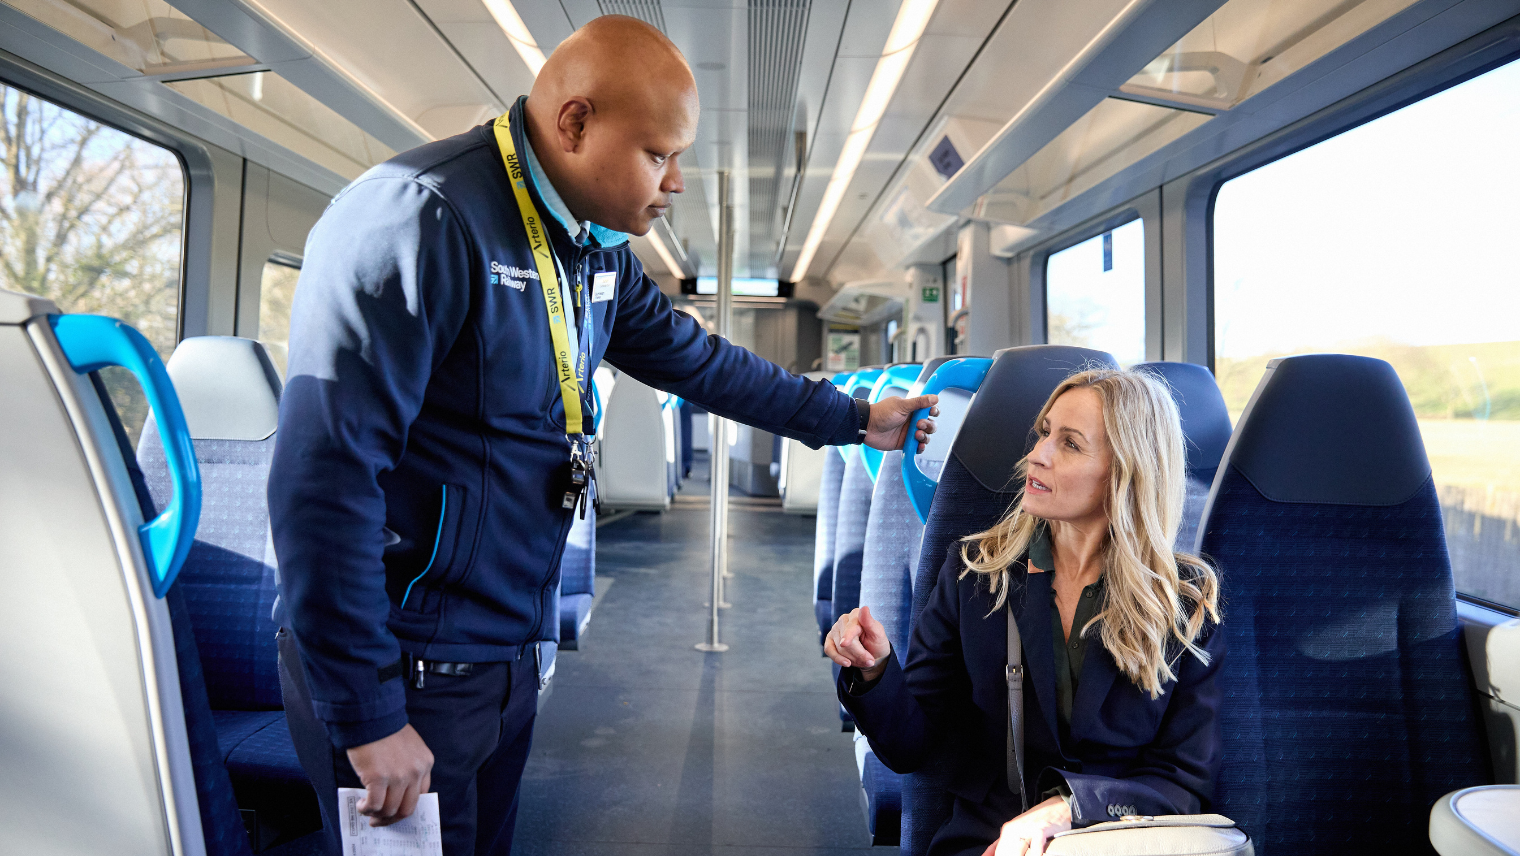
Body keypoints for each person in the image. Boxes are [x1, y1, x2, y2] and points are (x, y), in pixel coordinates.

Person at [268, 15, 937, 856]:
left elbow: (701, 364)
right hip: (405, 663)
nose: (677, 183)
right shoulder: (421, 221)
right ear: (576, 124)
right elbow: (321, 483)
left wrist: (851, 418)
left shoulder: (592, 248)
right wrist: (366, 711)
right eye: (660, 155)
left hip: (501, 649)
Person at [825, 368, 1225, 856]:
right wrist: (875, 671)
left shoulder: (1184, 603)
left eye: (1070, 444)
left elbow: (1185, 783)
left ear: (1125, 470)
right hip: (990, 841)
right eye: (1043, 433)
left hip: (1121, 843)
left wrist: (1071, 809)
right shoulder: (976, 573)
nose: (1036, 454)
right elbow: (916, 745)